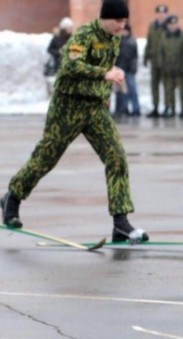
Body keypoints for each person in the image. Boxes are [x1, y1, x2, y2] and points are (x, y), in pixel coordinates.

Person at [1, 0, 149, 244]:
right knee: (45, 158)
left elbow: (104, 66)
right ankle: (12, 198)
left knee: (116, 157)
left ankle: (120, 222)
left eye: (125, 22)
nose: (122, 27)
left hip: (94, 108)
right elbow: (70, 65)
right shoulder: (83, 35)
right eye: (118, 21)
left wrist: (111, 80)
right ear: (105, 18)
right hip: (68, 106)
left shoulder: (114, 38)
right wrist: (103, 74)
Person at [144, 4, 169, 118]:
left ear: (166, 14)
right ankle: (155, 107)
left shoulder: (169, 26)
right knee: (154, 85)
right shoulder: (152, 26)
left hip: (165, 61)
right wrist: (145, 57)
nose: (161, 15)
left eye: (163, 13)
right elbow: (149, 42)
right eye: (159, 13)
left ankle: (168, 107)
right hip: (154, 60)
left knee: (166, 85)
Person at [114, 23, 140, 117]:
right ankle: (124, 108)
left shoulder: (131, 41)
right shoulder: (119, 41)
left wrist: (133, 68)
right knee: (121, 91)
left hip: (129, 69)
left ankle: (136, 109)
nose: (124, 32)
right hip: (121, 69)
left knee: (132, 90)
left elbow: (134, 57)